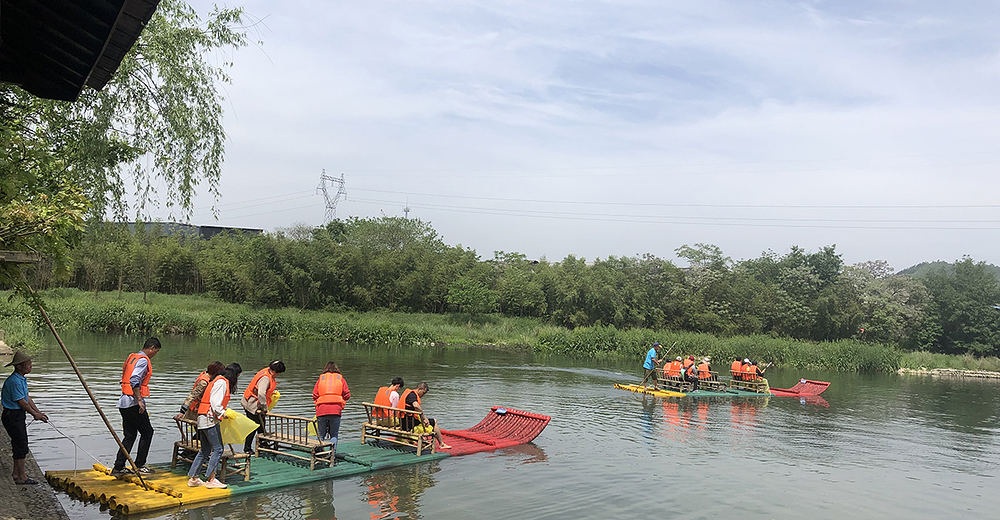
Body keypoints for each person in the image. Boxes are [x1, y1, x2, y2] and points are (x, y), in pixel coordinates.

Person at [111, 337, 161, 476]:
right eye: (155, 352)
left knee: (130, 435)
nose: (154, 355)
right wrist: (139, 400)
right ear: (151, 348)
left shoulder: (132, 357)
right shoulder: (143, 360)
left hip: (124, 403)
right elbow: (134, 380)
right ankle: (139, 465)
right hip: (133, 403)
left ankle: (119, 466)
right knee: (147, 432)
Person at [187, 363, 241, 489]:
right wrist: (223, 413)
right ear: (234, 375)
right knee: (218, 449)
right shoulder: (222, 383)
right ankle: (211, 479)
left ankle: (194, 478)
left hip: (203, 417)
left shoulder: (216, 380)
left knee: (205, 450)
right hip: (209, 419)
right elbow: (215, 403)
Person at [1, 351, 48, 485]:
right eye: (28, 364)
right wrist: (35, 415)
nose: (30, 366)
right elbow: (21, 402)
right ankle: (21, 476)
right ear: (19, 367)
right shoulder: (14, 381)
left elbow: (27, 397)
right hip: (12, 415)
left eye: (30, 363)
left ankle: (16, 473)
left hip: (17, 415)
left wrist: (38, 412)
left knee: (19, 444)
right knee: (21, 445)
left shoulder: (21, 379)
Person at [241, 360, 285, 454]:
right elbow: (261, 394)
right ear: (273, 371)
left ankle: (262, 444)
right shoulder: (265, 378)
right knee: (253, 427)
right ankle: (247, 449)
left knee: (261, 426)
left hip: (255, 404)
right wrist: (265, 408)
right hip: (252, 405)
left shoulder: (267, 372)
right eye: (278, 373)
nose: (278, 375)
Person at [312, 362, 351, 453]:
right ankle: (332, 455)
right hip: (336, 411)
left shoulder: (321, 379)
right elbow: (347, 395)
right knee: (334, 435)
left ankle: (319, 454)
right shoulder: (341, 379)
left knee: (321, 435)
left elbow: (314, 395)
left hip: (321, 410)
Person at [400, 382, 451, 450]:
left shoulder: (407, 393)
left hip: (402, 421)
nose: (423, 395)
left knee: (425, 422)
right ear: (419, 389)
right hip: (408, 425)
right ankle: (441, 444)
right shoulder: (412, 395)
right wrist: (424, 418)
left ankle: (423, 442)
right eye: (423, 393)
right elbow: (416, 406)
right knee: (434, 421)